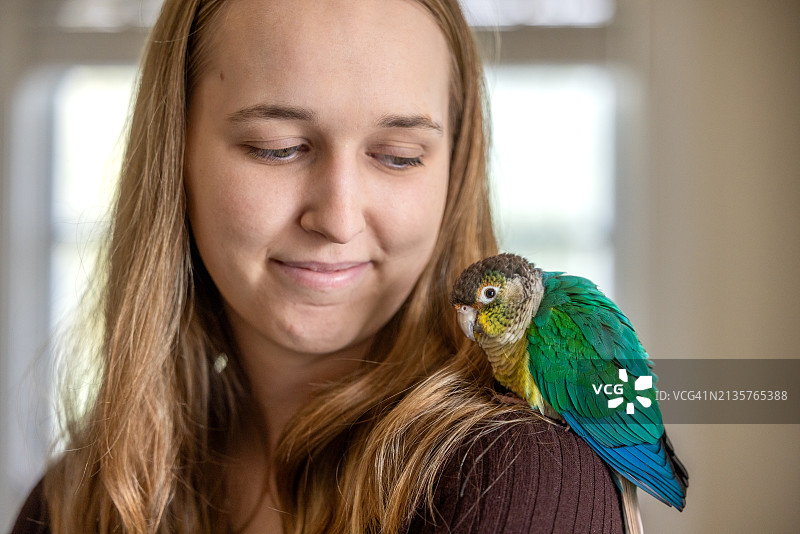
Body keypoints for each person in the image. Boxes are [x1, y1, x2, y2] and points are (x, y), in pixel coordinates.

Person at [12, 0, 623, 532]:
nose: (338, 217)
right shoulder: (72, 502)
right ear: (177, 155)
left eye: (399, 157)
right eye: (275, 148)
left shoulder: (523, 477)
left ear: (453, 173)